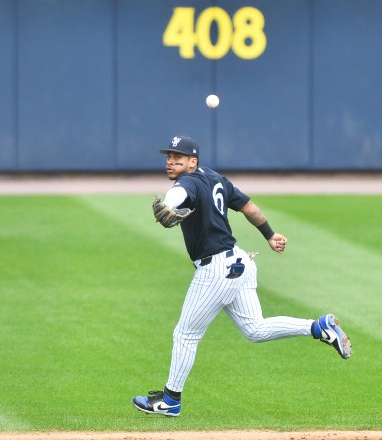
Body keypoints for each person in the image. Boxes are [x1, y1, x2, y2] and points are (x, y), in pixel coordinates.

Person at [132, 135, 352, 417]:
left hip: (217, 270)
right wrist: (270, 235)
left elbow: (179, 193)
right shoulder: (216, 178)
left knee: (185, 334)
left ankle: (171, 401)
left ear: (192, 162)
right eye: (169, 157)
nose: (171, 162)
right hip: (239, 262)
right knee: (255, 329)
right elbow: (249, 207)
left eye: (178, 158)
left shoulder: (188, 182)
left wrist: (168, 202)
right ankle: (318, 327)